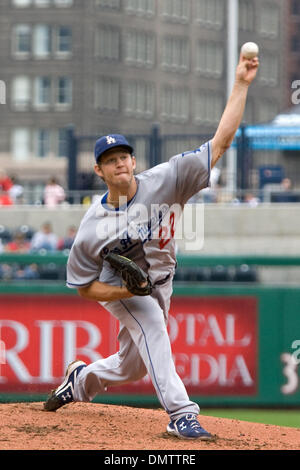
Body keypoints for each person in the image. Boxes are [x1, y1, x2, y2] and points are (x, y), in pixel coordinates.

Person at [44, 52, 259, 439]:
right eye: (110, 160)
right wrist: (126, 289)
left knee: (133, 366)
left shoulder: (168, 178)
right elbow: (84, 287)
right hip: (120, 285)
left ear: (134, 159)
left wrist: (241, 83)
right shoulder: (93, 227)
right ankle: (181, 414)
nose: (119, 163)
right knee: (154, 327)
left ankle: (79, 381)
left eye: (123, 156)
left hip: (161, 279)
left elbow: (221, 142)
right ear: (99, 170)